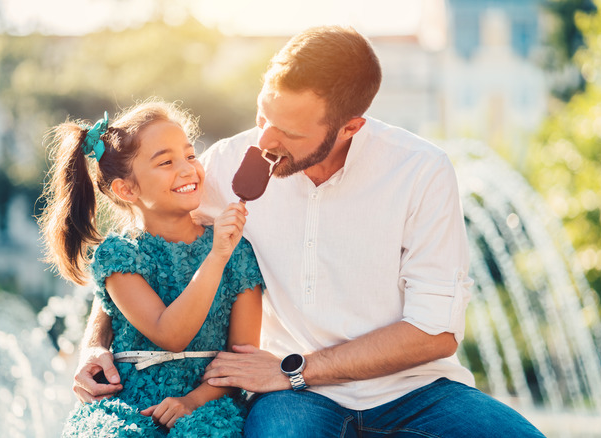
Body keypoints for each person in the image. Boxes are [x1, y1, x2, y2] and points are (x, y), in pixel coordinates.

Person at [73, 27, 545, 437]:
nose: (265, 141)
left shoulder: (420, 172)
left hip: (413, 388)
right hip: (294, 400)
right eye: (263, 117)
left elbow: (434, 333)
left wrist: (293, 370)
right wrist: (95, 343)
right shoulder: (226, 163)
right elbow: (144, 252)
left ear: (350, 127)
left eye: (289, 134)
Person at [39, 100, 264, 437]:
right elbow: (171, 334)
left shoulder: (237, 252)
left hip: (208, 402)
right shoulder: (119, 256)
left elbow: (242, 357)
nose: (188, 169)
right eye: (166, 162)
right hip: (128, 403)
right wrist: (216, 257)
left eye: (190, 155)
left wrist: (193, 400)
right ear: (126, 189)